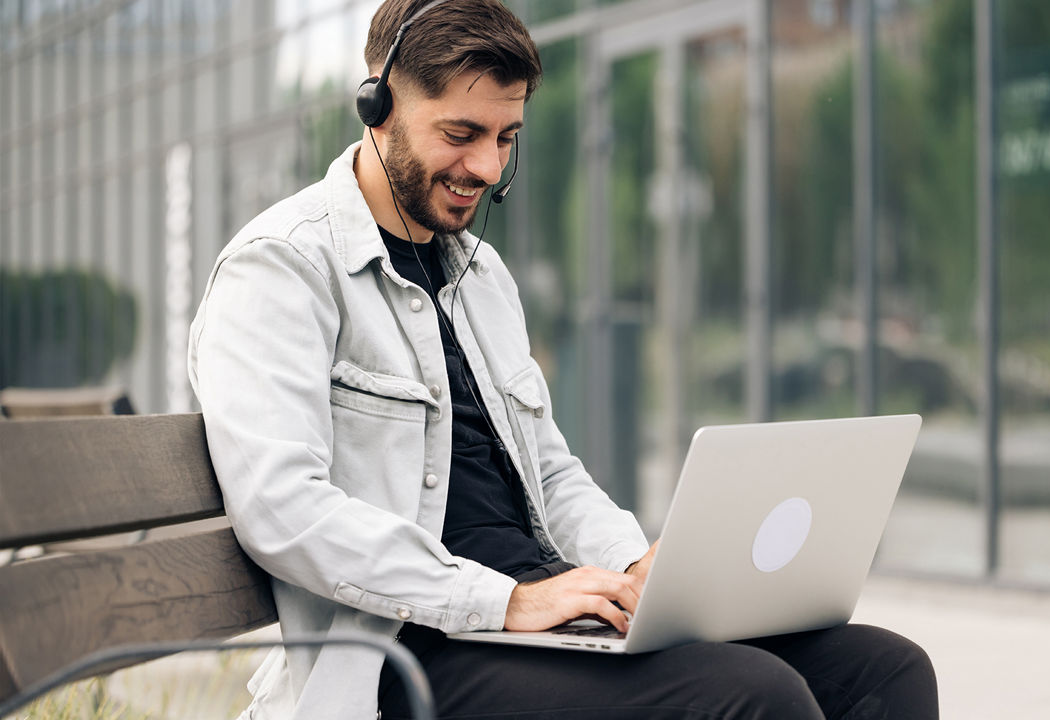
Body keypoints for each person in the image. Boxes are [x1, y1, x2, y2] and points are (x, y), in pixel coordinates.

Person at [188, 1, 938, 718]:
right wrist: (505, 602)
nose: (485, 166)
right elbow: (283, 508)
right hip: (410, 654)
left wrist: (636, 568)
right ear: (377, 105)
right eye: (461, 132)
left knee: (885, 670)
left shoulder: (481, 278)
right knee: (747, 696)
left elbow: (548, 471)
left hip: (538, 621)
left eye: (506, 137)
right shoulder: (281, 269)